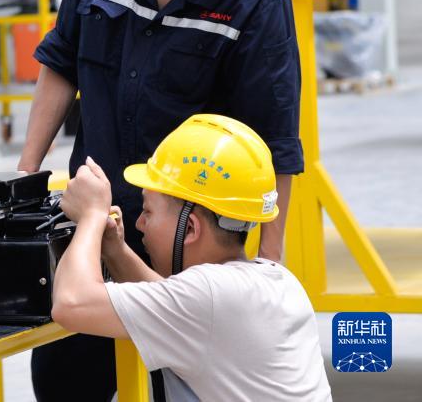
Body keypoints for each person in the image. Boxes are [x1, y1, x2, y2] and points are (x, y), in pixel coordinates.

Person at [20, 0, 303, 400]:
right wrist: (26, 175)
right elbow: (61, 62)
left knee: (175, 388)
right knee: (66, 379)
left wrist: (266, 270)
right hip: (90, 218)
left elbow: (275, 142)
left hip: (188, 243)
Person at [51, 114, 331, 401]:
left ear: (191, 228)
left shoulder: (209, 295)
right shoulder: (276, 281)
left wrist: (91, 215)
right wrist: (115, 249)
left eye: (148, 212)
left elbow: (71, 303)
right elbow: (173, 304)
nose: (140, 224)